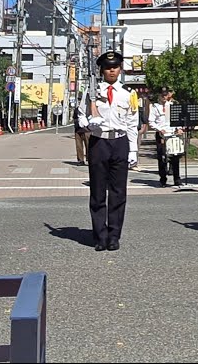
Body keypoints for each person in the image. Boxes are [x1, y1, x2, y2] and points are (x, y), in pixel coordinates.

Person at [78, 51, 139, 251]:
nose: (111, 70)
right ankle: (100, 236)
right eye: (107, 67)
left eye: (115, 67)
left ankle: (114, 236)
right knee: (97, 191)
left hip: (120, 142)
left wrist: (133, 150)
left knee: (118, 192)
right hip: (99, 142)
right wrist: (89, 123)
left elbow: (132, 123)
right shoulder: (92, 91)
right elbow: (80, 114)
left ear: (120, 69)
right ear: (101, 70)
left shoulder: (128, 93)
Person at [150, 88, 183, 187]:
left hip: (172, 133)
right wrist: (159, 129)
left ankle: (177, 179)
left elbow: (177, 119)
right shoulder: (155, 107)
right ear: (159, 96)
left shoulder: (172, 106)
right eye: (162, 95)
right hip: (162, 134)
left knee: (175, 157)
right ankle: (163, 179)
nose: (164, 97)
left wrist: (179, 128)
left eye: (165, 95)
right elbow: (151, 121)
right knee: (162, 158)